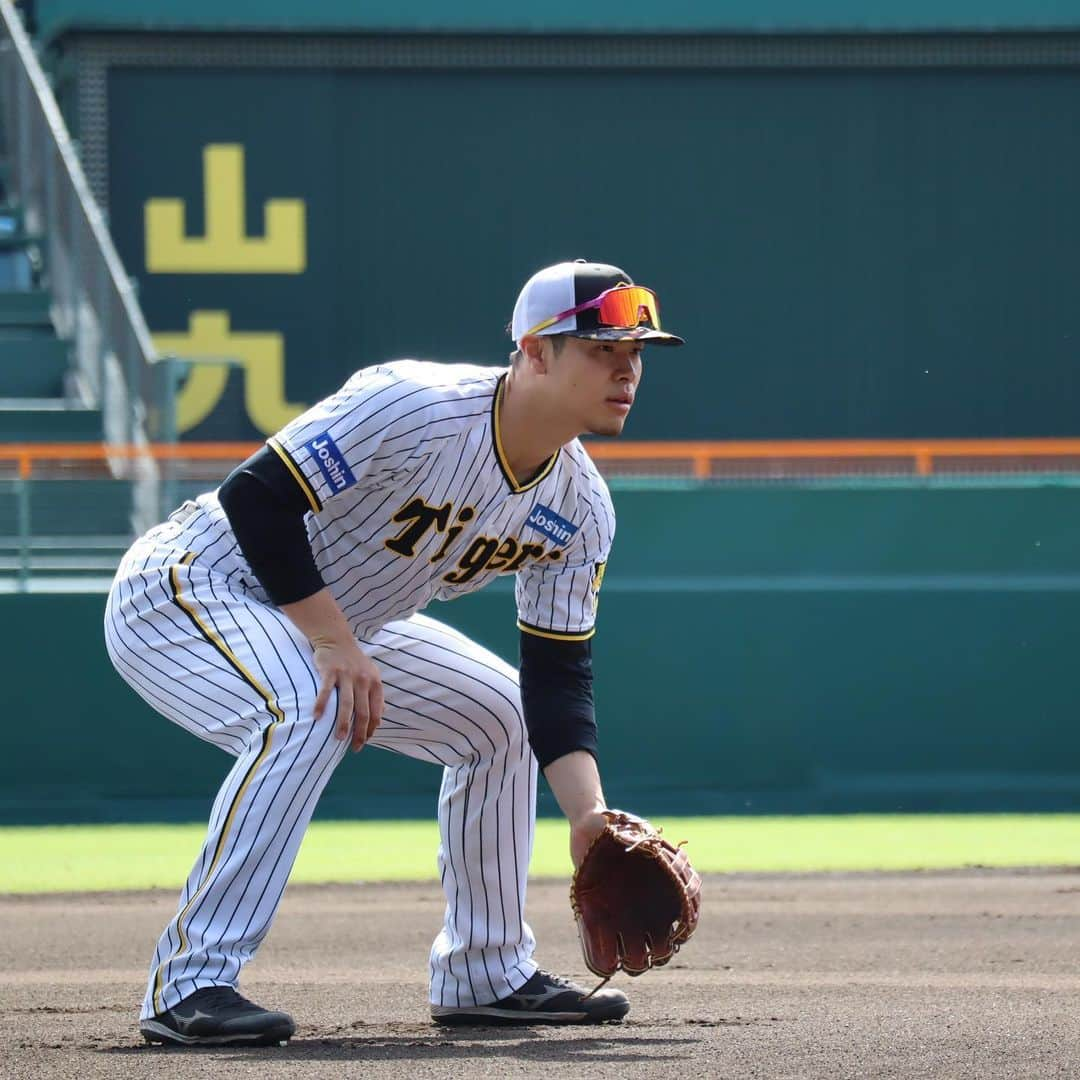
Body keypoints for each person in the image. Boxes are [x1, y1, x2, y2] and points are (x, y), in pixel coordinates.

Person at [104, 259, 684, 1046]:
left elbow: (557, 678)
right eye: (602, 348)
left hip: (341, 627)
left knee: (501, 719)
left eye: (637, 352)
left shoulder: (578, 510)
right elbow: (256, 498)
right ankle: (192, 983)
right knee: (306, 710)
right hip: (195, 585)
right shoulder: (416, 405)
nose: (628, 369)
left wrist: (587, 816)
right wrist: (333, 642)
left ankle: (487, 973)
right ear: (536, 352)